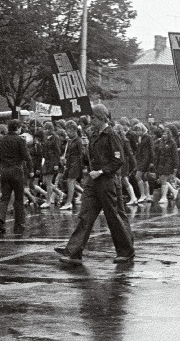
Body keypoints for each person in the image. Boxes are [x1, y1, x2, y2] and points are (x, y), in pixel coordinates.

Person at [55, 104, 135, 265]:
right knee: (85, 215)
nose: (90, 121)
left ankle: (126, 251)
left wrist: (102, 171)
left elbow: (119, 160)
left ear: (101, 118)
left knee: (114, 217)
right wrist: (85, 150)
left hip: (107, 181)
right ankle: (73, 252)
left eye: (93, 118)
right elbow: (88, 159)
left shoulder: (111, 135)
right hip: (93, 182)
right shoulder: (93, 135)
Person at [0, 119, 33, 235]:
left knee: (4, 197)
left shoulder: (0, 141)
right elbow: (26, 156)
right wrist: (31, 170)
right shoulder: (20, 140)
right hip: (17, 171)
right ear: (18, 128)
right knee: (19, 198)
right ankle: (19, 222)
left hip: (4, 171)